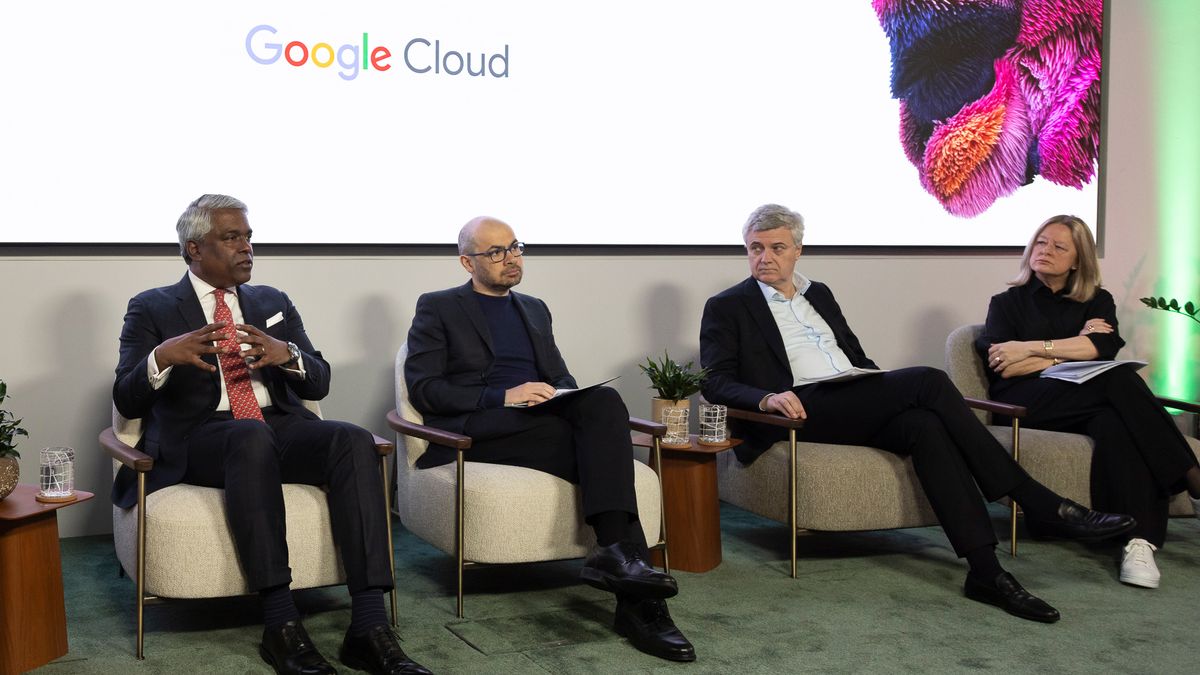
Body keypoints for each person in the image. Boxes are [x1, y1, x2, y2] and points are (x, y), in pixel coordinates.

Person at [699, 203, 1137, 623]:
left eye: (776, 247)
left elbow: (854, 357)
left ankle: (986, 572)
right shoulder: (728, 305)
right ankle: (1035, 499)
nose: (765, 257)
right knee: (926, 380)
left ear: (798, 250)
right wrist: (766, 398)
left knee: (924, 425)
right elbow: (714, 380)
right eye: (756, 247)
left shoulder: (821, 294)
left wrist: (876, 384)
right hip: (798, 405)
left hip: (849, 392)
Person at [112, 195, 430, 675]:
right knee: (248, 437)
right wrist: (161, 357)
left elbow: (320, 381)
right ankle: (280, 623)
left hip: (279, 424)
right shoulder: (152, 307)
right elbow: (126, 397)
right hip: (203, 437)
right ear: (194, 249)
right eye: (232, 237)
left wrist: (288, 355)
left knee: (353, 439)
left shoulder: (272, 302)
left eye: (248, 236)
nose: (247, 248)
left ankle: (368, 625)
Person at [404, 216, 695, 662]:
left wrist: (561, 392)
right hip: (481, 427)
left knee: (603, 403)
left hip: (539, 421)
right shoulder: (438, 307)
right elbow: (426, 389)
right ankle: (643, 605)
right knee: (604, 453)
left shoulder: (535, 308)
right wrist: (505, 394)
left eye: (515, 247)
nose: (511, 259)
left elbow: (559, 373)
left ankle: (615, 556)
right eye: (496, 252)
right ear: (467, 262)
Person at [979, 214, 1200, 589]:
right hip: (1026, 404)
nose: (1045, 251)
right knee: (1118, 378)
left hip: (1084, 400)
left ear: (1078, 260)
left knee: (1116, 423)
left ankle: (1137, 541)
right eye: (1041, 242)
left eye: (1058, 246)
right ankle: (1191, 476)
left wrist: (1031, 348)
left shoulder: (1098, 300)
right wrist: (1074, 348)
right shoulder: (1006, 303)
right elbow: (1008, 367)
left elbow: (1101, 348)